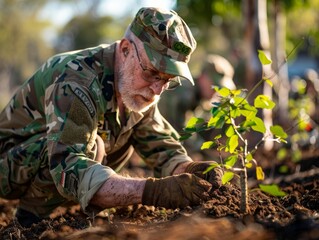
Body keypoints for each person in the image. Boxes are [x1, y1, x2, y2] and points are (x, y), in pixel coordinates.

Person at [0, 7, 223, 227]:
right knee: (93, 146)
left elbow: (162, 148)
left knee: (120, 133)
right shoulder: (77, 79)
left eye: (167, 80)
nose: (157, 89)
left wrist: (190, 170)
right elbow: (69, 165)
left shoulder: (138, 89)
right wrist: (152, 192)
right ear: (125, 49)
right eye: (152, 72)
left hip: (43, 162)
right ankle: (29, 221)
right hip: (8, 164)